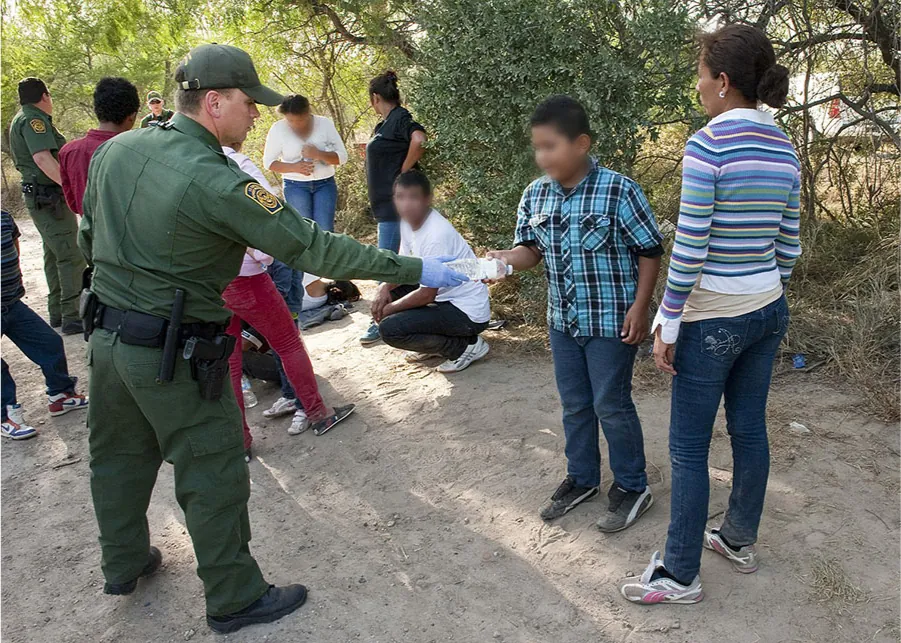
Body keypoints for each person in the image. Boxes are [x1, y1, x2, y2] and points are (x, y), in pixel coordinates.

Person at [79, 42, 466, 635]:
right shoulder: (217, 179)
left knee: (119, 455)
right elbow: (314, 246)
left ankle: (124, 561)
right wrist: (416, 270)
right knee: (212, 470)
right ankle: (234, 596)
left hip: (106, 338)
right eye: (247, 103)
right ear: (213, 102)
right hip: (172, 352)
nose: (256, 115)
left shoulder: (117, 150)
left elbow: (87, 235)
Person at [620, 24, 800, 606]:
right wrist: (768, 294)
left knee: (689, 447)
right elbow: (789, 245)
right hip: (767, 309)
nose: (697, 86)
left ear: (723, 82)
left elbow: (692, 245)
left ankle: (678, 574)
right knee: (749, 429)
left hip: (712, 319)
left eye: (701, 75)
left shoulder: (708, 146)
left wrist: (667, 320)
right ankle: (738, 539)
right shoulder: (784, 146)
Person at [487, 96, 663, 531]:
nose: (542, 156)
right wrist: (503, 261)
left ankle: (632, 486)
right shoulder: (535, 194)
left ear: (581, 143)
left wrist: (641, 308)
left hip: (610, 322)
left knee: (611, 404)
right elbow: (531, 251)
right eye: (537, 147)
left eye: (551, 146)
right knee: (575, 405)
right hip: (563, 321)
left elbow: (649, 251)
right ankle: (583, 478)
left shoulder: (619, 190)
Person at [222, 140, 354, 457]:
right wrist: (265, 257)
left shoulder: (182, 162)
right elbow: (267, 219)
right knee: (288, 341)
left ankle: (240, 441)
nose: (253, 116)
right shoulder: (238, 165)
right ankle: (317, 413)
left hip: (213, 279)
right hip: (248, 276)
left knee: (229, 358)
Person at [374, 171, 491, 373]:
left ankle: (464, 347)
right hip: (443, 298)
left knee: (390, 329)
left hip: (466, 312)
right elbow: (404, 266)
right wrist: (384, 287)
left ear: (427, 199)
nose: (406, 204)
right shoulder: (407, 221)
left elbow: (427, 294)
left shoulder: (436, 234)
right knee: (388, 296)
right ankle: (429, 342)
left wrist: (389, 309)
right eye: (400, 197)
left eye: (414, 197)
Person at [7, 77, 86, 335]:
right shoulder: (34, 120)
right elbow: (43, 158)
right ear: (44, 96)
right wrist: (69, 187)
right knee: (71, 255)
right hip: (48, 197)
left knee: (54, 254)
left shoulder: (22, 118)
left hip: (41, 197)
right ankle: (72, 314)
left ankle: (59, 312)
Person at [1, 210, 88, 440]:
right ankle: (5, 415)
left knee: (50, 344)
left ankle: (60, 394)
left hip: (11, 303)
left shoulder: (4, 218)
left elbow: (14, 249)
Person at [359, 70, 427, 345]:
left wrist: (403, 168)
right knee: (399, 260)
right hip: (387, 206)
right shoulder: (384, 124)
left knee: (385, 262)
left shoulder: (399, 117)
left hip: (397, 206)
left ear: (376, 97)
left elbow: (420, 139)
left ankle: (380, 317)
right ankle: (400, 313)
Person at [60, 77, 140, 215]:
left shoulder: (69, 152)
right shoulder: (138, 150)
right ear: (132, 116)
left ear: (97, 109)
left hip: (91, 233)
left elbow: (73, 204)